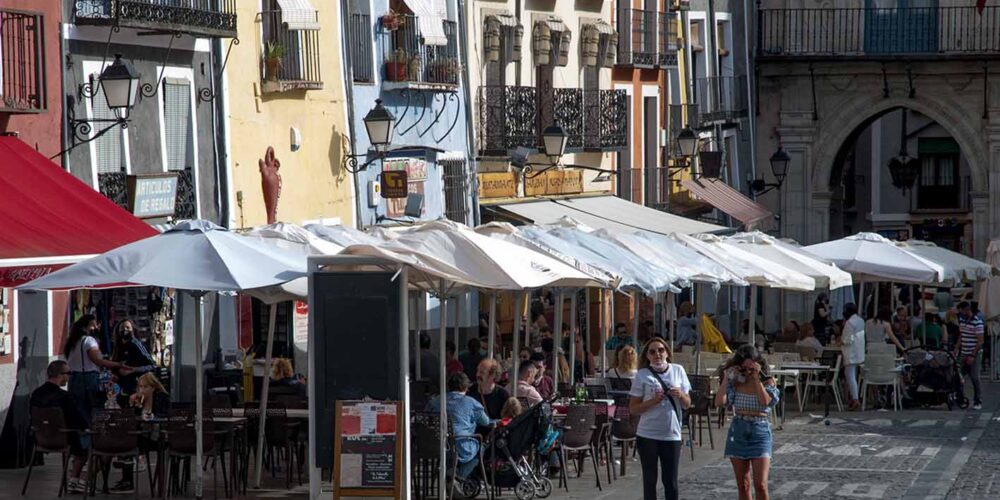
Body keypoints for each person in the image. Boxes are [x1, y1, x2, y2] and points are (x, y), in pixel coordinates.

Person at [628, 338, 691, 500]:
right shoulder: (642, 375)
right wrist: (653, 401)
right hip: (647, 433)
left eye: (661, 350)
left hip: (671, 433)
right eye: (653, 351)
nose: (657, 354)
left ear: (667, 353)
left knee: (671, 481)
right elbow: (633, 408)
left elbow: (687, 404)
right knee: (650, 480)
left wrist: (680, 394)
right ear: (647, 356)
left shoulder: (678, 370)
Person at [715, 345, 780, 500]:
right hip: (738, 429)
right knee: (743, 484)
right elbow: (719, 402)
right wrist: (726, 379)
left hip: (760, 429)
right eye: (744, 368)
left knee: (761, 485)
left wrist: (757, 378)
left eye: (751, 367)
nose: (747, 371)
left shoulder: (767, 381)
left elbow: (765, 402)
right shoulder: (737, 383)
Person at [31, 360, 90, 493]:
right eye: (68, 373)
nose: (69, 376)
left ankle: (75, 483)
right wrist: (87, 427)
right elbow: (77, 420)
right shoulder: (64, 397)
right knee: (88, 443)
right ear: (60, 375)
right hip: (63, 439)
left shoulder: (36, 394)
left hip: (41, 439)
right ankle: (76, 481)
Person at [112, 372, 171, 493]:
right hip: (140, 436)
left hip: (157, 436)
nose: (142, 390)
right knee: (128, 437)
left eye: (145, 387)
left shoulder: (162, 398)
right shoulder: (139, 399)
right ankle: (127, 478)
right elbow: (129, 416)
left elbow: (164, 416)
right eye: (140, 386)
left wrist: (150, 415)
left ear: (153, 388)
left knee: (129, 439)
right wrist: (130, 403)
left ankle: (126, 468)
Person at [64, 315, 127, 425]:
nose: (96, 328)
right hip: (87, 379)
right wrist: (117, 364)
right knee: (90, 412)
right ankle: (89, 438)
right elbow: (97, 360)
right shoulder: (89, 341)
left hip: (73, 379)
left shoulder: (72, 343)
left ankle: (80, 437)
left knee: (78, 412)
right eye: (93, 325)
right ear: (85, 328)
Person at [426, 372, 491, 479]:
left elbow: (426, 417)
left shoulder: (436, 401)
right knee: (482, 449)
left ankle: (450, 473)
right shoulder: (471, 403)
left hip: (436, 445)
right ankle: (458, 476)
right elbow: (485, 421)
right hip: (461, 445)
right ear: (466, 387)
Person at [110, 319, 157, 396]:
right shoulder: (118, 347)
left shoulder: (136, 345)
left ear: (133, 330)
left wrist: (133, 370)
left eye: (128, 327)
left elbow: (152, 366)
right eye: (122, 328)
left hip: (137, 390)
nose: (125, 330)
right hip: (122, 390)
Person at [955, 301, 984, 410]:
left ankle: (978, 400)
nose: (960, 312)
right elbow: (961, 335)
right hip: (963, 352)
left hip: (974, 354)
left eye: (962, 310)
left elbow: (980, 341)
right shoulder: (962, 321)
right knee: (958, 375)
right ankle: (960, 398)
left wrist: (972, 355)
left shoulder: (978, 323)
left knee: (975, 377)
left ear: (967, 310)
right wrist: (956, 348)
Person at [839, 303, 865, 411]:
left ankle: (855, 399)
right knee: (852, 375)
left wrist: (841, 341)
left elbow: (847, 339)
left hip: (850, 352)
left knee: (850, 376)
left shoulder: (849, 323)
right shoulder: (860, 320)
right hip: (859, 351)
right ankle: (854, 398)